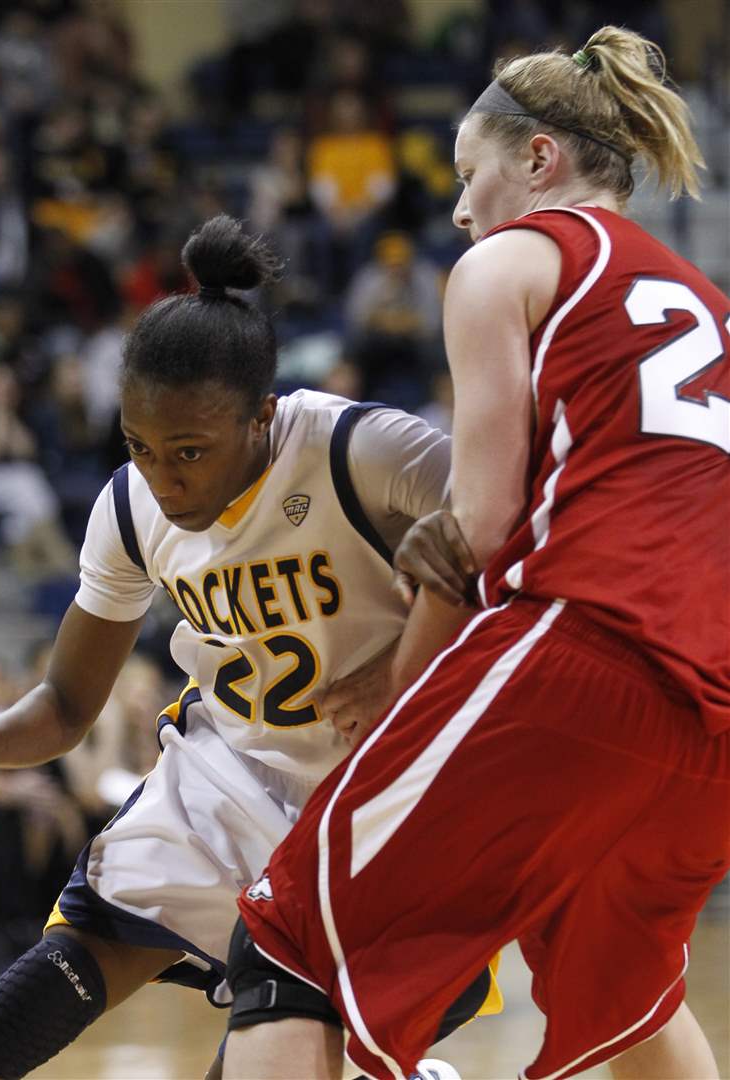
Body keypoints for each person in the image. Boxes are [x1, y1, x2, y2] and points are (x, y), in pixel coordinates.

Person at [0, 215, 498, 1080]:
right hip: (223, 787)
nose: (164, 478)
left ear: (262, 416)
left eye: (189, 451)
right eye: (140, 448)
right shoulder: (131, 508)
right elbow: (69, 705)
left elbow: (525, 547)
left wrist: (401, 668)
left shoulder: (358, 450)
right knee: (8, 1024)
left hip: (377, 812)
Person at [222, 26, 729, 1080]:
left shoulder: (512, 259)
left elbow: (485, 525)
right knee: (630, 1000)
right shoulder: (708, 306)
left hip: (591, 654)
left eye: (469, 175)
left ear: (538, 161)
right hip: (715, 721)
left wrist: (400, 682)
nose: (459, 209)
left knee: (288, 940)